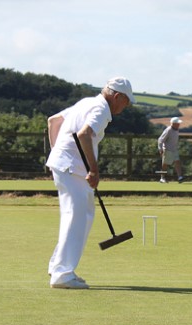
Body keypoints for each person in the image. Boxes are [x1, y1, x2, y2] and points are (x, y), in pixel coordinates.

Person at [45, 77, 135, 289]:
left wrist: (57, 152)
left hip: (66, 165)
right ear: (117, 97)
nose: (126, 107)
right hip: (73, 168)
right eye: (126, 102)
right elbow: (84, 134)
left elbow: (53, 121)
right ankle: (62, 274)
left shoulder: (86, 102)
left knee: (80, 216)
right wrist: (93, 169)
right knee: (76, 217)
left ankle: (59, 266)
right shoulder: (101, 109)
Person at [157, 117, 184, 183]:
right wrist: (160, 149)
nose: (179, 124)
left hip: (174, 149)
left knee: (177, 162)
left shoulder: (176, 129)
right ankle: (162, 178)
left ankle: (180, 177)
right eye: (177, 123)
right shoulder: (168, 130)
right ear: (173, 124)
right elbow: (160, 140)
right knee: (165, 164)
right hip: (168, 149)